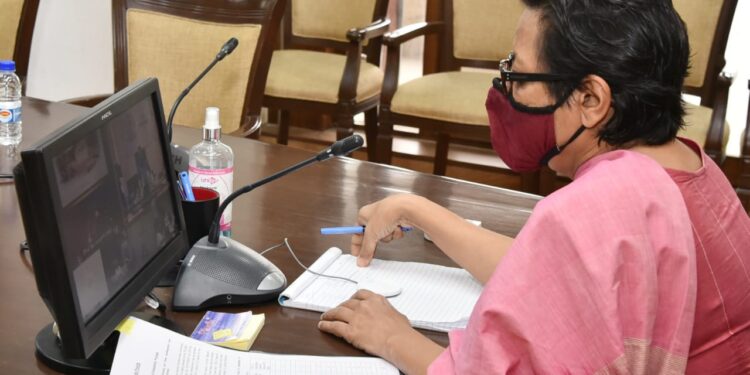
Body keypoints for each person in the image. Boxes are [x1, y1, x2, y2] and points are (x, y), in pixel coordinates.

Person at [316, 0, 750, 374]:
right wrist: (416, 209)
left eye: (517, 74)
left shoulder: (605, 204)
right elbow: (549, 272)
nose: (505, 89)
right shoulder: (688, 162)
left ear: (591, 100)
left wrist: (394, 338)